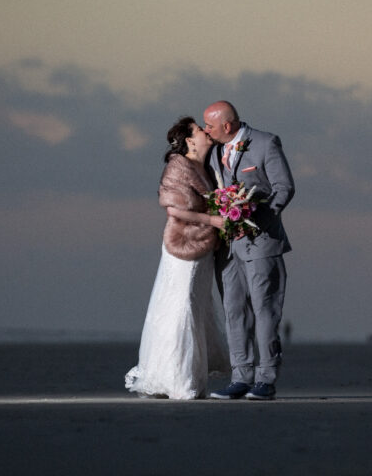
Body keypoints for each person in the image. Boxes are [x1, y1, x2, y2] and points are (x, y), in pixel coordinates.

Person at [125, 117, 230, 399]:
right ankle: (179, 379)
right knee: (181, 303)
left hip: (205, 243)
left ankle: (191, 376)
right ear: (189, 141)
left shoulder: (207, 167)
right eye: (200, 129)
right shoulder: (179, 167)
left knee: (197, 306)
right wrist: (213, 220)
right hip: (184, 244)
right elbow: (174, 210)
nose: (207, 132)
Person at [203, 101, 295, 401]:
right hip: (227, 248)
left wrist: (256, 217)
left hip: (262, 242)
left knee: (265, 311)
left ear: (227, 126)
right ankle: (240, 377)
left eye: (210, 125)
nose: (207, 130)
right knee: (233, 310)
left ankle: (266, 378)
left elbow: (284, 187)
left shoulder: (266, 143)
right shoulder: (214, 151)